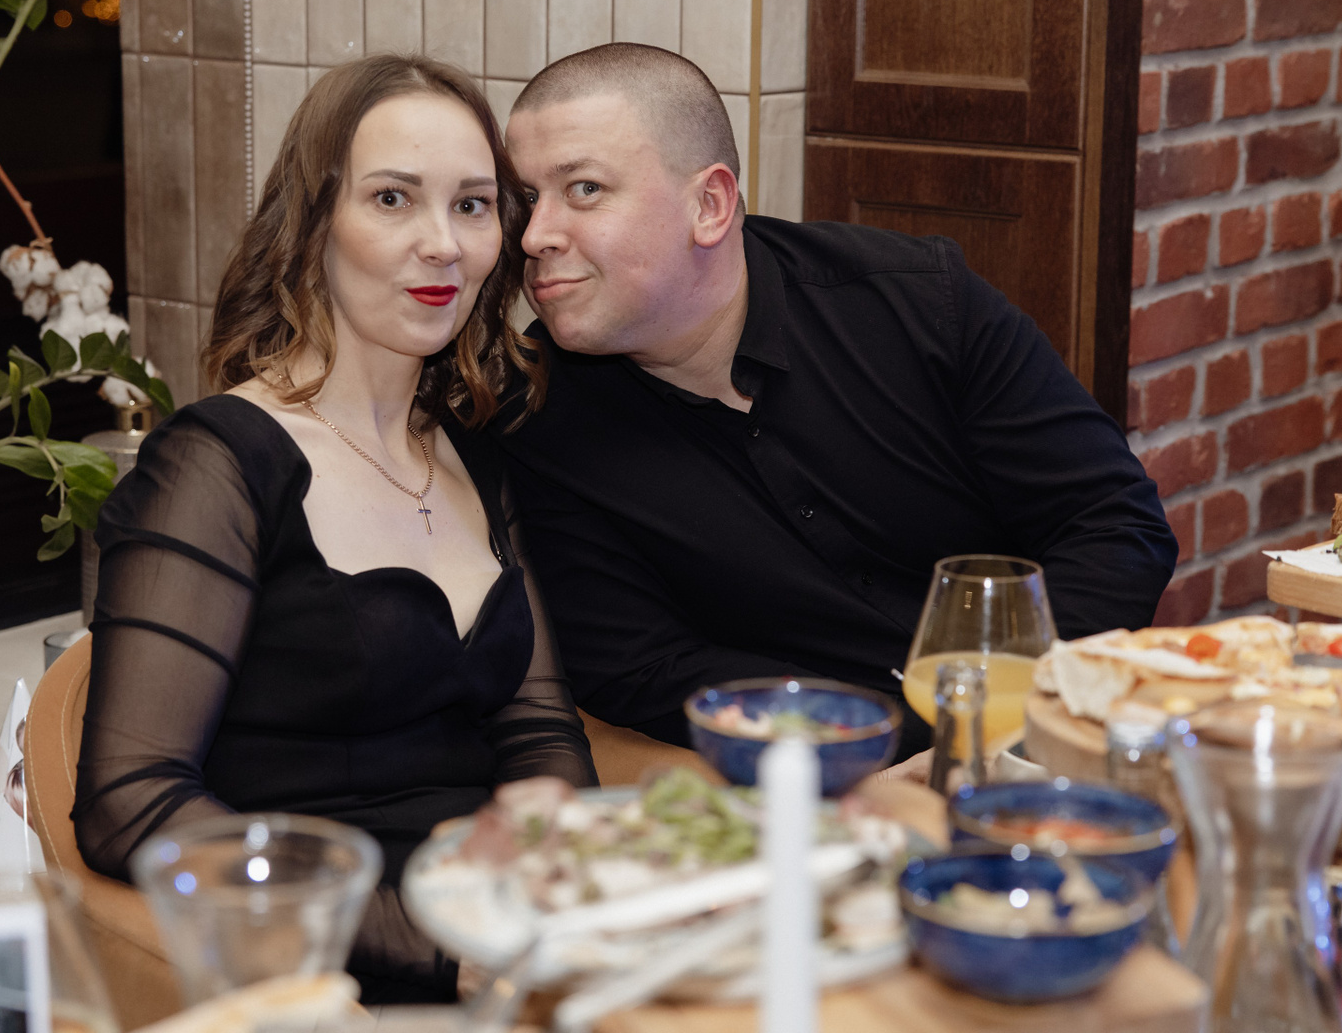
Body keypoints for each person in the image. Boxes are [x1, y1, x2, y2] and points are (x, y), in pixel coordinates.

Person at [72, 55, 596, 1004]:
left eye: (473, 206)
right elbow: (130, 798)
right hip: (326, 974)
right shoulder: (217, 466)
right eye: (393, 199)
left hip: (504, 940)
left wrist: (563, 867)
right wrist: (428, 948)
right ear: (313, 223)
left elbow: (538, 725)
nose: (443, 244)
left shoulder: (472, 454)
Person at [493, 43, 1178, 757]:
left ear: (709, 205)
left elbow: (1115, 527)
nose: (535, 237)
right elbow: (641, 668)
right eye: (526, 199)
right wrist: (879, 747)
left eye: (585, 189)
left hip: (1038, 733)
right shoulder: (537, 415)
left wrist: (983, 716)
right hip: (813, 776)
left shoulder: (916, 302)